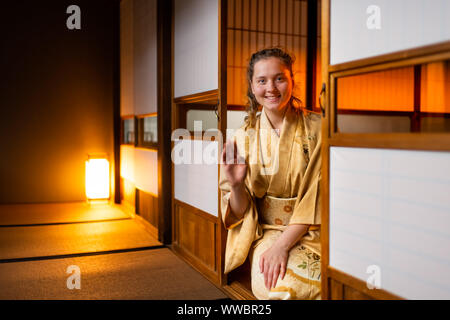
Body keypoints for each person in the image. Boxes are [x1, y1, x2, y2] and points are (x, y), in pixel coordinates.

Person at [219, 47, 322, 300]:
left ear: (291, 81)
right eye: (262, 80)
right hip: (266, 232)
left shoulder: (319, 128)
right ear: (252, 87)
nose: (271, 88)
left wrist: (283, 247)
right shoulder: (242, 137)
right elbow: (239, 212)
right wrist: (235, 185)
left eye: (279, 78)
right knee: (281, 290)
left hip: (314, 232)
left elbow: (317, 196)